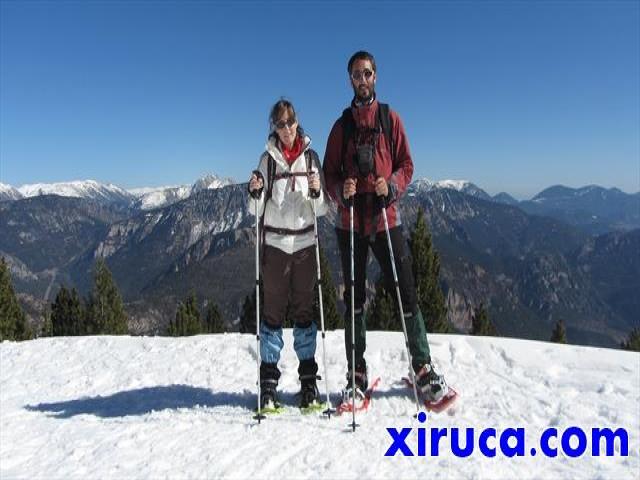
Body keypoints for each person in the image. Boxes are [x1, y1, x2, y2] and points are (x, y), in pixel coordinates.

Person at [322, 50, 448, 403]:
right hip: (349, 223)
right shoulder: (341, 127)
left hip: (384, 218)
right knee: (355, 301)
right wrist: (339, 190)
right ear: (350, 80)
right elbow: (329, 173)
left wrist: (391, 185)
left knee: (405, 290)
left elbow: (407, 164)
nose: (361, 80)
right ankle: (355, 372)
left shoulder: (390, 119)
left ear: (375, 76)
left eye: (366, 74)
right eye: (355, 75)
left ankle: (421, 366)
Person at [248, 99, 328, 409]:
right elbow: (255, 210)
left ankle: (308, 383)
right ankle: (268, 385)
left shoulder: (310, 159)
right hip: (276, 249)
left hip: (305, 248)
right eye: (280, 124)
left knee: (305, 314)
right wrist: (255, 192)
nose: (286, 129)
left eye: (290, 122)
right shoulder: (266, 161)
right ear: (274, 127)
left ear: (297, 122)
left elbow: (319, 210)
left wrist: (317, 190)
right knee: (272, 315)